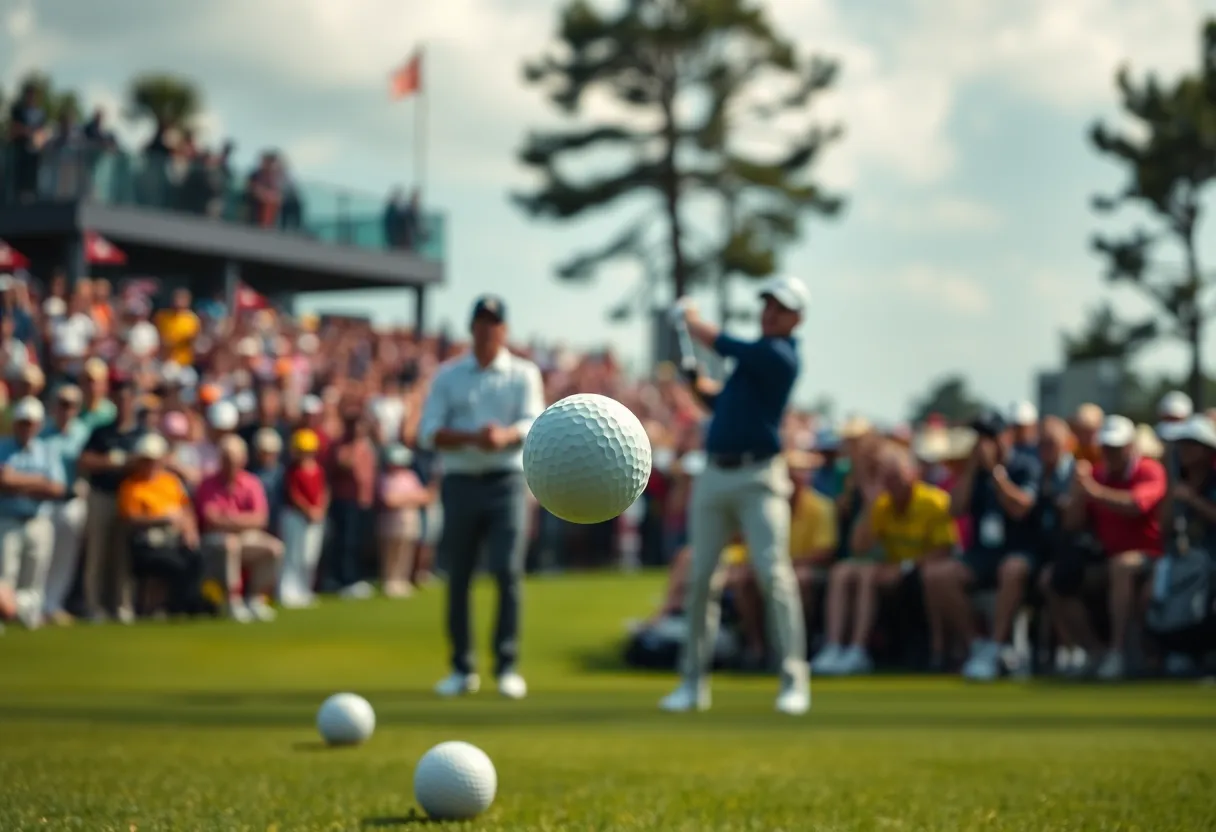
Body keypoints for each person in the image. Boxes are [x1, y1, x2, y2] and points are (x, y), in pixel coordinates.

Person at [660, 276, 811, 715]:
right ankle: (692, 683)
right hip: (715, 474)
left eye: (780, 309)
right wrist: (695, 385)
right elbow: (720, 403)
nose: (770, 313)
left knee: (772, 574)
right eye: (767, 305)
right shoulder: (756, 362)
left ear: (797, 319)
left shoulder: (780, 356)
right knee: (701, 577)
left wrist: (691, 320)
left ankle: (793, 680)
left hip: (759, 478)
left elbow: (725, 343)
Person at [417, 294, 545, 700]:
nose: (487, 329)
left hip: (507, 481)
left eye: (494, 322)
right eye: (481, 322)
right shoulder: (448, 375)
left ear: (504, 330)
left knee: (508, 572)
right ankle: (461, 667)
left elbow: (532, 423)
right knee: (459, 576)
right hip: (460, 482)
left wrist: (503, 436)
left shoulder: (523, 373)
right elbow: (427, 431)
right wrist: (475, 437)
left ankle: (506, 665)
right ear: (471, 327)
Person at [813, 442, 957, 675]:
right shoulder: (882, 503)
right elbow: (858, 547)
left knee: (868, 574)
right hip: (892, 570)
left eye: (895, 476)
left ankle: (858, 650)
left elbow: (943, 551)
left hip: (920, 574)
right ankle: (835, 646)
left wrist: (905, 567)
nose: (891, 484)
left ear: (913, 473)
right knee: (842, 571)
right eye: (886, 478)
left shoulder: (934, 501)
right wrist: (870, 503)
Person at [923, 410, 1041, 681]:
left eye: (990, 436)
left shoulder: (1024, 465)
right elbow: (955, 509)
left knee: (1013, 569)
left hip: (1018, 550)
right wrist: (973, 470)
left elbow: (1020, 508)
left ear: (1006, 436)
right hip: (982, 554)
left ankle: (997, 646)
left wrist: (996, 474)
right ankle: (977, 644)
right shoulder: (974, 473)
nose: (984, 443)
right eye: (980, 437)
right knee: (937, 575)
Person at [1054, 415, 1167, 680]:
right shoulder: (1095, 475)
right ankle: (1096, 652)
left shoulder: (1149, 470)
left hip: (1152, 559)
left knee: (1122, 566)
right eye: (1106, 447)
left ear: (1130, 447)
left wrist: (1093, 491)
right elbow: (1072, 524)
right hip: (1109, 558)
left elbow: (1136, 506)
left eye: (1116, 447)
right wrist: (1078, 491)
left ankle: (1118, 652)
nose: (1111, 453)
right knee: (1054, 580)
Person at [723, 449, 838, 667]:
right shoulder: (766, 508)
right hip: (775, 566)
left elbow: (824, 553)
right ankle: (757, 647)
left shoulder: (822, 507)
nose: (797, 477)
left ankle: (797, 646)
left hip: (804, 569)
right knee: (743, 579)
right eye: (792, 472)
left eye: (801, 472)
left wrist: (785, 565)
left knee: (799, 580)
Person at [77, 376, 146, 623]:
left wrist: (129, 464)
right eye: (121, 399)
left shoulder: (141, 434)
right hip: (102, 496)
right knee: (98, 552)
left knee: (123, 556)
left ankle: (121, 605)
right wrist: (114, 462)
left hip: (130, 501)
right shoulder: (102, 432)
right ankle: (93, 604)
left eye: (129, 399)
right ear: (115, 401)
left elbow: (147, 466)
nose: (125, 404)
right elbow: (85, 460)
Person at [195, 435, 283, 623]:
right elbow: (210, 519)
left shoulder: (251, 483)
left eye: (234, 461)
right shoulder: (208, 483)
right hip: (214, 541)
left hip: (244, 536)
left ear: (243, 460)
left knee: (274, 548)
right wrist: (241, 521)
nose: (230, 466)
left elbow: (260, 519)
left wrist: (229, 520)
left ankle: (256, 599)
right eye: (226, 460)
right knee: (230, 544)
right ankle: (232, 601)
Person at [0, 398, 67, 630]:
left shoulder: (47, 451)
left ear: (38, 425)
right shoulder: (2, 447)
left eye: (31, 423)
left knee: (34, 575)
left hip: (38, 520)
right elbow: (2, 481)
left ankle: (27, 619)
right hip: (7, 520)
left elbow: (57, 487)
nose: (26, 428)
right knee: (5, 574)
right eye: (22, 423)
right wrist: (39, 481)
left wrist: (18, 481)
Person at [39, 384, 92, 625]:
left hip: (72, 501)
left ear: (77, 408)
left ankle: (54, 604)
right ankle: (36, 605)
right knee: (42, 555)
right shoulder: (42, 432)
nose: (65, 409)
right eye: (61, 403)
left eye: (70, 405)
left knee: (65, 558)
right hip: (44, 501)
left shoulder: (83, 433)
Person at [279, 428, 328, 608]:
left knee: (310, 557)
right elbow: (294, 494)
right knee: (293, 555)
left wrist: (319, 509)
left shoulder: (318, 470)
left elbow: (323, 492)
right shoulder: (292, 471)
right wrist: (308, 510)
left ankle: (305, 590)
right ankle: (288, 592)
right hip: (296, 517)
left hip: (315, 518)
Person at [378, 443, 431, 598]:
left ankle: (402, 580)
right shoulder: (385, 478)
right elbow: (389, 500)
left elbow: (425, 497)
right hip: (391, 521)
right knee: (391, 552)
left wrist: (405, 499)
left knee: (406, 552)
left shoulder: (410, 476)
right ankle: (390, 581)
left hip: (409, 521)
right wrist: (410, 498)